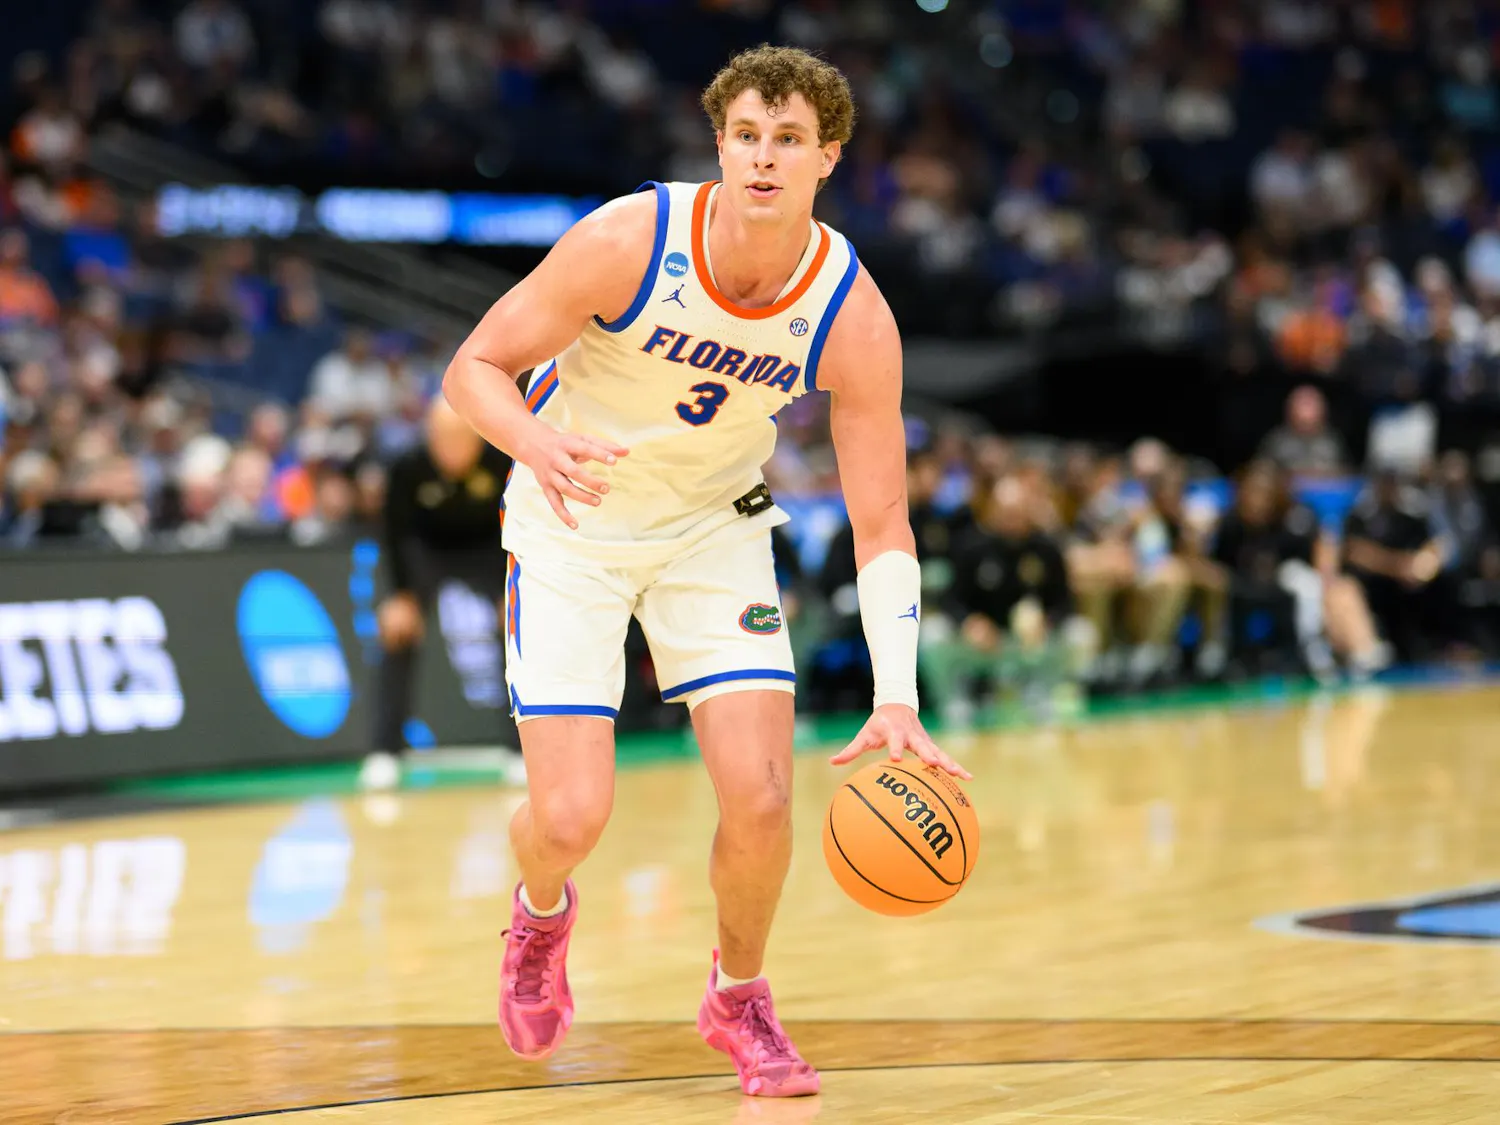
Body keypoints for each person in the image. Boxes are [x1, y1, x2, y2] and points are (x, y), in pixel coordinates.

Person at [441, 44, 967, 1098]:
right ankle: (541, 917)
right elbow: (473, 370)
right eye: (745, 137)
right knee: (569, 819)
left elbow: (883, 521)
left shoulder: (850, 310)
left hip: (711, 530)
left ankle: (741, 998)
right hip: (570, 522)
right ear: (718, 142)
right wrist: (535, 446)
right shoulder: (632, 239)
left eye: (788, 141)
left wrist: (898, 694)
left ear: (829, 157)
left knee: (764, 800)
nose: (763, 160)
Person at [359, 396, 521, 790]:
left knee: (518, 629)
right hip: (427, 553)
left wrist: (513, 589)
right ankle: (385, 751)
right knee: (398, 632)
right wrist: (400, 595)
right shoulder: (407, 468)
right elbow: (395, 535)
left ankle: (521, 750)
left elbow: (520, 523)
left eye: (460, 440)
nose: (450, 450)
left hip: (488, 550)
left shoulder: (503, 462)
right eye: (441, 439)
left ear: (478, 437)